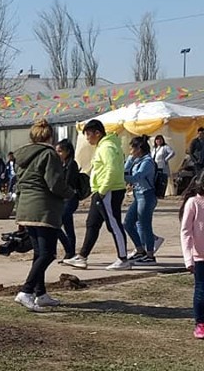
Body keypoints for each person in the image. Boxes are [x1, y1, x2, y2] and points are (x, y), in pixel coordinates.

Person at [13, 118, 75, 312]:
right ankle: (26, 290)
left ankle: (40, 294)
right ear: (50, 136)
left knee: (39, 253)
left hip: (25, 207)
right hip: (43, 208)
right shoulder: (49, 154)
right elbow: (54, 183)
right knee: (48, 253)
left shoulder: (23, 155)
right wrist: (72, 193)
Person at [64, 119, 130, 271]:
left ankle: (123, 259)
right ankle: (82, 256)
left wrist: (103, 190)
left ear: (97, 133)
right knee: (92, 224)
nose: (87, 138)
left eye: (88, 134)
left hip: (108, 190)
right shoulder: (103, 146)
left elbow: (111, 170)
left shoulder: (107, 147)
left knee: (113, 224)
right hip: (99, 191)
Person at [123, 135, 162, 264]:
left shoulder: (147, 162)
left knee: (145, 226)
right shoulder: (137, 160)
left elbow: (136, 177)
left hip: (146, 196)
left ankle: (150, 255)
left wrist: (121, 178)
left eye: (132, 149)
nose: (130, 151)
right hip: (138, 196)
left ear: (139, 148)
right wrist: (129, 159)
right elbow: (126, 170)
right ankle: (140, 250)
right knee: (128, 223)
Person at [179, 172, 204, 339]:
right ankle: (200, 323)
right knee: (201, 290)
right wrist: (188, 258)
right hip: (200, 256)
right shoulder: (193, 203)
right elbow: (186, 232)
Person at [54, 139, 85, 261]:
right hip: (63, 200)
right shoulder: (61, 164)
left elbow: (67, 183)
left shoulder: (72, 164)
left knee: (57, 225)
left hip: (70, 199)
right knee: (68, 226)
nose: (58, 154)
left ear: (67, 151)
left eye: (60, 151)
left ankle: (69, 250)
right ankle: (70, 252)